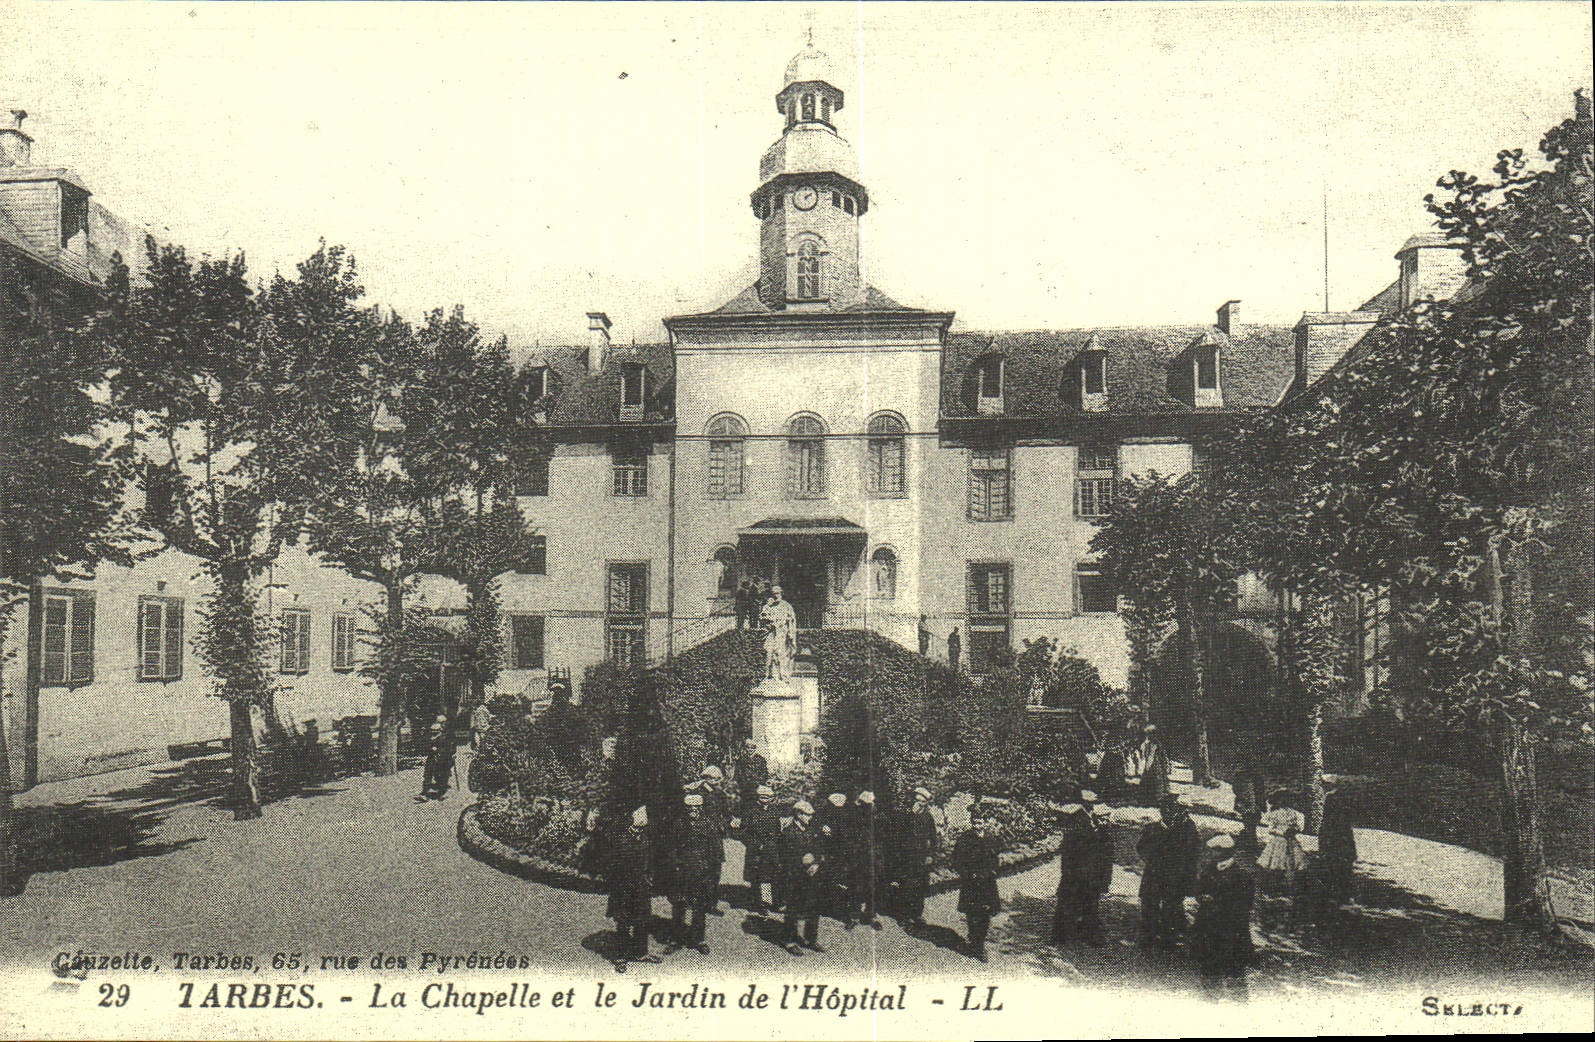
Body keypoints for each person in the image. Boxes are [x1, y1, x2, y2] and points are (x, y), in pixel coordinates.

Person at [1193, 834, 1255, 1001]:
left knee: (1235, 980)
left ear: (1225, 852)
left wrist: (1216, 903)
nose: (1211, 854)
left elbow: (1243, 907)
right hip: (1208, 931)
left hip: (1231, 935)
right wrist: (1203, 897)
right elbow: (1199, 891)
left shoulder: (1243, 877)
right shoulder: (1208, 871)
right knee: (1209, 977)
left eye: (1214, 851)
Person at [1136, 795, 1200, 949]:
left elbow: (1193, 855)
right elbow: (1141, 848)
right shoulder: (1152, 828)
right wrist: (1151, 860)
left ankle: (1168, 938)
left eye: (1173, 810)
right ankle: (1148, 936)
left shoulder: (1188, 829)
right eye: (1165, 810)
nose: (1168, 813)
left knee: (1172, 905)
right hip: (1154, 874)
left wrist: (1188, 879)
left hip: (1175, 876)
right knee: (1149, 903)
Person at [605, 805, 660, 972]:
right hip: (623, 887)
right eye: (638, 823)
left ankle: (640, 952)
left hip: (641, 886)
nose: (640, 827)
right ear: (631, 822)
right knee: (624, 921)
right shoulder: (620, 839)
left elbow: (649, 861)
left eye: (642, 824)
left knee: (642, 920)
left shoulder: (644, 838)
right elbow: (612, 865)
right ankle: (620, 956)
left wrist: (649, 878)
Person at [665, 794, 721, 955]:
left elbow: (715, 852)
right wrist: (674, 867)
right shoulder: (679, 824)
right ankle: (676, 939)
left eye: (696, 808)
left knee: (699, 907)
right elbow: (671, 849)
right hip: (682, 873)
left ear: (701, 809)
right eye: (690, 808)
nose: (693, 811)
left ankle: (699, 939)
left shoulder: (708, 825)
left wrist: (712, 874)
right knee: (679, 906)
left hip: (702, 873)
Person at [953, 803, 1002, 962]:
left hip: (987, 883)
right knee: (972, 913)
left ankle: (979, 943)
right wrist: (967, 874)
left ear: (985, 823)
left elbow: (995, 859)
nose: (977, 825)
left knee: (985, 914)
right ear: (971, 822)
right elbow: (957, 861)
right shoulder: (964, 839)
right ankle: (974, 943)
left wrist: (993, 870)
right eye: (974, 822)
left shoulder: (991, 838)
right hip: (971, 883)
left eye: (980, 822)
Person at [1051, 802, 1099, 946]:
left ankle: (1086, 935)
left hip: (1087, 872)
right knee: (1067, 903)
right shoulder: (1076, 819)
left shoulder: (1094, 819)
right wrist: (1069, 872)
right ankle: (1060, 936)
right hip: (1075, 872)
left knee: (1088, 903)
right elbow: (1068, 850)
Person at [780, 800, 825, 954]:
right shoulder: (788, 833)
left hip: (812, 875)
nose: (810, 818)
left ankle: (810, 939)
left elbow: (820, 848)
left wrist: (816, 863)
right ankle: (789, 941)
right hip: (795, 876)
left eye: (811, 815)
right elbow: (785, 857)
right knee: (793, 909)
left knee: (813, 907)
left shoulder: (812, 830)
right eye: (807, 814)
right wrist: (802, 861)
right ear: (798, 814)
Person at [897, 786, 939, 927]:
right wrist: (911, 816)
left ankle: (916, 914)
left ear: (926, 803)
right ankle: (904, 915)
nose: (919, 804)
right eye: (917, 801)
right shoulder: (905, 816)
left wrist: (931, 856)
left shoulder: (928, 818)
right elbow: (899, 835)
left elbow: (933, 839)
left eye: (922, 802)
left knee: (920, 886)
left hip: (922, 857)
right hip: (908, 857)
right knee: (907, 885)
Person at [738, 784, 781, 913]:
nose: (765, 799)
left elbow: (777, 829)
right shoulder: (750, 811)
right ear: (758, 797)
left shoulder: (774, 811)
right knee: (757, 877)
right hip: (756, 850)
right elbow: (743, 833)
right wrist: (756, 845)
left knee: (770, 876)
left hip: (771, 849)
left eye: (768, 797)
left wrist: (775, 843)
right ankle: (759, 904)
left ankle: (771, 902)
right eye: (762, 797)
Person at [815, 792, 856, 927]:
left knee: (841, 883)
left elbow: (848, 837)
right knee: (832, 882)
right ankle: (831, 908)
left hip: (842, 855)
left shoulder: (847, 817)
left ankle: (843, 912)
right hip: (832, 854)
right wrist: (823, 830)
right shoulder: (825, 814)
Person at [1316, 776, 1357, 906]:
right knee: (1344, 865)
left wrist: (1322, 836)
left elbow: (1326, 817)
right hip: (1343, 834)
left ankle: (1333, 894)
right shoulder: (1347, 797)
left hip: (1333, 834)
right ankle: (1346, 895)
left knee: (1332, 864)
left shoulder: (1330, 797)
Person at [1257, 790, 1307, 893]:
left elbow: (1299, 827)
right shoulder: (1276, 813)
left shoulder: (1295, 814)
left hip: (1291, 840)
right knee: (1277, 863)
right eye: (1283, 800)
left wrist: (1293, 831)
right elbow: (1271, 829)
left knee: (1291, 861)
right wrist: (1282, 832)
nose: (1286, 802)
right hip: (1278, 841)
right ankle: (1274, 885)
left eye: (1288, 800)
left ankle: (1288, 885)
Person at [851, 790, 884, 931]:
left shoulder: (878, 818)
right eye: (867, 804)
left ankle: (872, 915)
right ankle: (854, 916)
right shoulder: (855, 817)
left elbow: (882, 838)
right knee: (857, 886)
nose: (870, 807)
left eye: (871, 804)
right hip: (859, 857)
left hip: (873, 857)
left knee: (873, 886)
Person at [1087, 803, 1116, 939]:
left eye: (1107, 818)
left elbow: (1108, 858)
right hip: (1090, 873)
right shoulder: (1091, 834)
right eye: (1102, 818)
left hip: (1101, 873)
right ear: (1095, 818)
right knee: (1090, 898)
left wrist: (1106, 878)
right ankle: (1090, 928)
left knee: (1094, 898)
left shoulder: (1107, 833)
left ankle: (1091, 922)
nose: (1105, 821)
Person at [1125, 723, 1169, 807]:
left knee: (1155, 779)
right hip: (1155, 764)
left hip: (1155, 764)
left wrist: (1148, 765)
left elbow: (1152, 756)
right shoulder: (1150, 744)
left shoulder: (1154, 744)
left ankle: (1155, 798)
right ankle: (1152, 798)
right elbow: (1148, 755)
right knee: (1153, 779)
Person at [761, 585, 798, 681]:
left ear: (781, 593)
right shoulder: (770, 606)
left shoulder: (786, 606)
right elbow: (763, 618)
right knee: (769, 653)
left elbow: (792, 621)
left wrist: (791, 634)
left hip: (782, 634)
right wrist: (767, 623)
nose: (775, 595)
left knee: (781, 654)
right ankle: (771, 676)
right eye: (773, 594)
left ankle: (783, 677)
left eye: (777, 593)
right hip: (771, 633)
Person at [419, 714, 455, 801]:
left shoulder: (448, 733)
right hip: (432, 757)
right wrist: (430, 748)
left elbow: (451, 745)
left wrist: (451, 753)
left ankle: (442, 793)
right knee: (428, 774)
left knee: (442, 775)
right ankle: (425, 793)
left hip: (444, 758)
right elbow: (426, 744)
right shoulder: (431, 734)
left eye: (442, 722)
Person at [734, 739, 769, 813]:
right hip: (744, 788)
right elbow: (737, 774)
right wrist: (742, 783)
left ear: (755, 748)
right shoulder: (741, 760)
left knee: (756, 808)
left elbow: (764, 774)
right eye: (748, 747)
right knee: (745, 808)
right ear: (745, 748)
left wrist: (758, 782)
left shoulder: (761, 759)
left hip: (757, 787)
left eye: (752, 748)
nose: (750, 750)